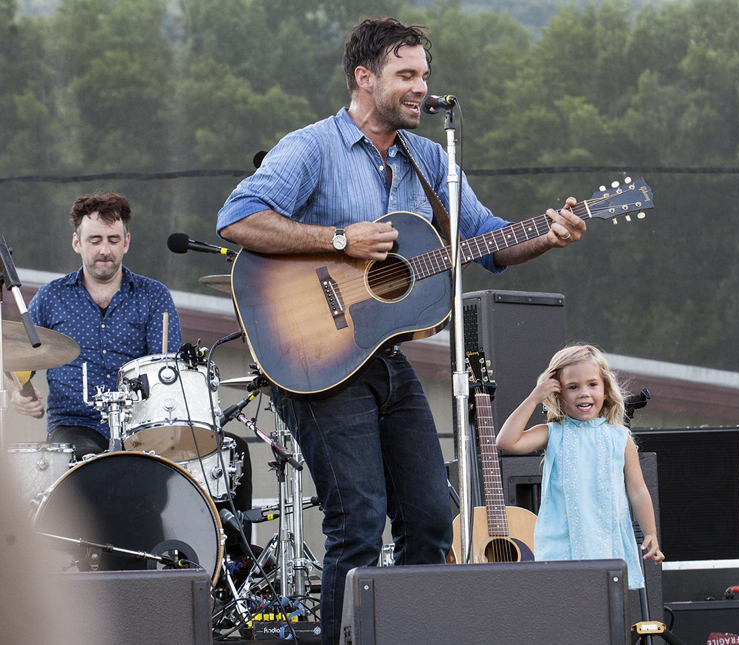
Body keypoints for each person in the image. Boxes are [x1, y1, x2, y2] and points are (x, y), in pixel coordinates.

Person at [216, 17, 586, 644]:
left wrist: (546, 235)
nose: (421, 89)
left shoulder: (429, 159)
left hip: (383, 357)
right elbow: (237, 217)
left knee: (430, 515)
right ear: (365, 79)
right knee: (357, 520)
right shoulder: (312, 148)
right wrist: (339, 239)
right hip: (314, 357)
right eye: (406, 75)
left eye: (425, 76)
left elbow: (486, 242)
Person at [9, 193, 183, 460]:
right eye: (95, 240)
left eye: (113, 240)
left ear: (126, 242)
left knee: (228, 451)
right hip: (74, 426)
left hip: (140, 428)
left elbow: (169, 370)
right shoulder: (50, 297)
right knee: (89, 463)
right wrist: (17, 393)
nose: (105, 250)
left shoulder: (154, 295)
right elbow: (18, 359)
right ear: (77, 243)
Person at [496, 344, 664, 589]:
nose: (584, 393)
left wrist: (651, 532)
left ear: (606, 389)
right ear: (558, 394)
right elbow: (506, 441)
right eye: (573, 387)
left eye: (592, 384)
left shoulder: (619, 438)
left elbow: (637, 489)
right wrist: (535, 397)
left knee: (605, 609)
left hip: (606, 541)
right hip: (562, 543)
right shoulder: (553, 433)